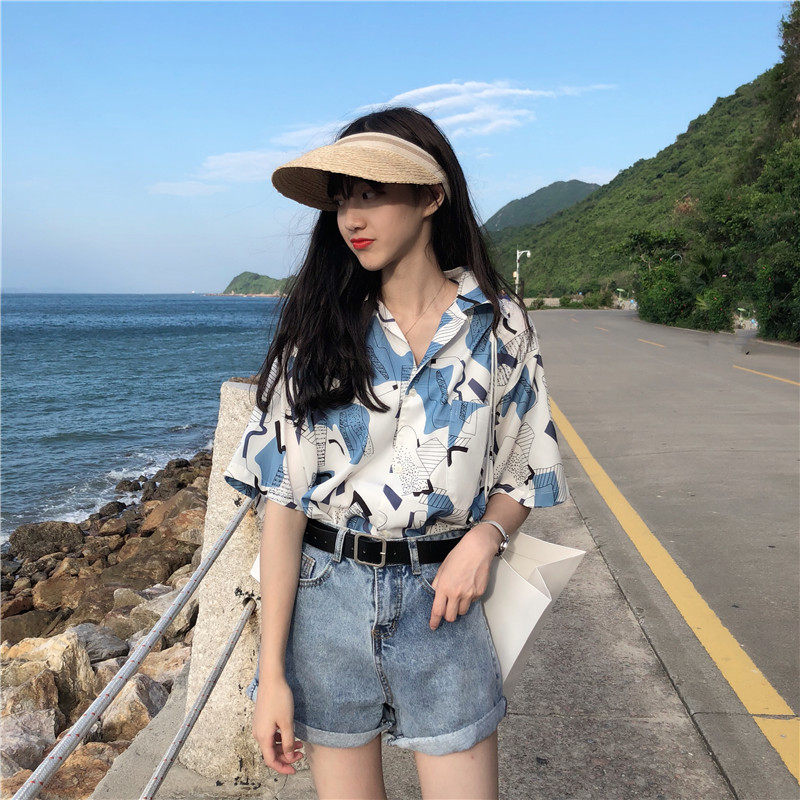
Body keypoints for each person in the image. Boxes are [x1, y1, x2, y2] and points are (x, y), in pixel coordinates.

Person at [223, 106, 569, 800]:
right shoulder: (319, 329)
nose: (352, 217)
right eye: (342, 198)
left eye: (372, 193)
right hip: (327, 602)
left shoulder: (498, 325)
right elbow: (283, 503)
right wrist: (272, 674)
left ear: (431, 197)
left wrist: (486, 538)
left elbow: (525, 468)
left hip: (444, 603)